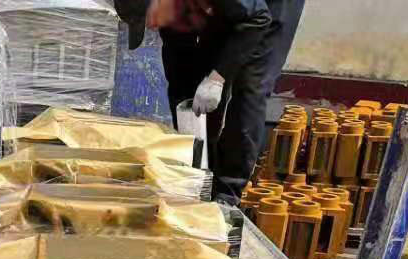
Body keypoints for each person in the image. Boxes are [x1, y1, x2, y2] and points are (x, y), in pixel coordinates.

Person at [115, 0, 306, 201]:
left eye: (151, 17)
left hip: (270, 9)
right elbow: (180, 71)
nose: (152, 26)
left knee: (250, 85)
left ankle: (228, 192)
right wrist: (188, 124)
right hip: (234, 8)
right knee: (202, 72)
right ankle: (203, 176)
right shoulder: (171, 16)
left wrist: (217, 78)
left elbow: (258, 18)